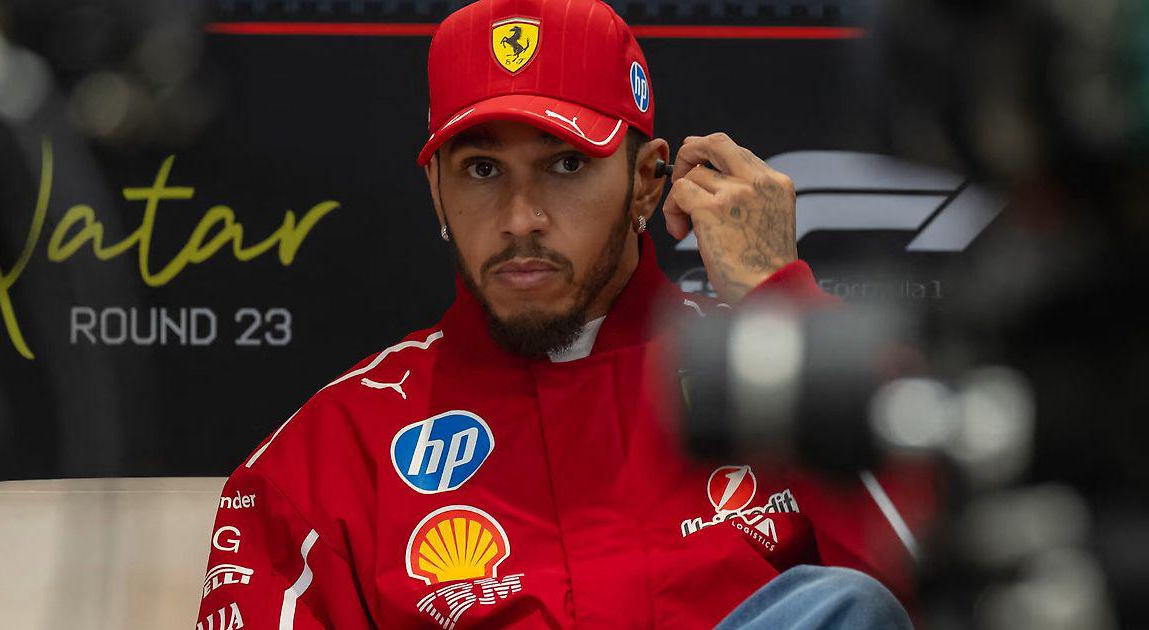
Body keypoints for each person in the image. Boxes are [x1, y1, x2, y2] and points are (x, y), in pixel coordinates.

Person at [194, 0, 929, 627]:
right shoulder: (326, 458)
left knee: (844, 605)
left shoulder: (779, 379)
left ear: (647, 183)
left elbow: (933, 593)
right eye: (482, 169)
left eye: (566, 164)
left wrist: (781, 304)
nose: (521, 218)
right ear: (437, 191)